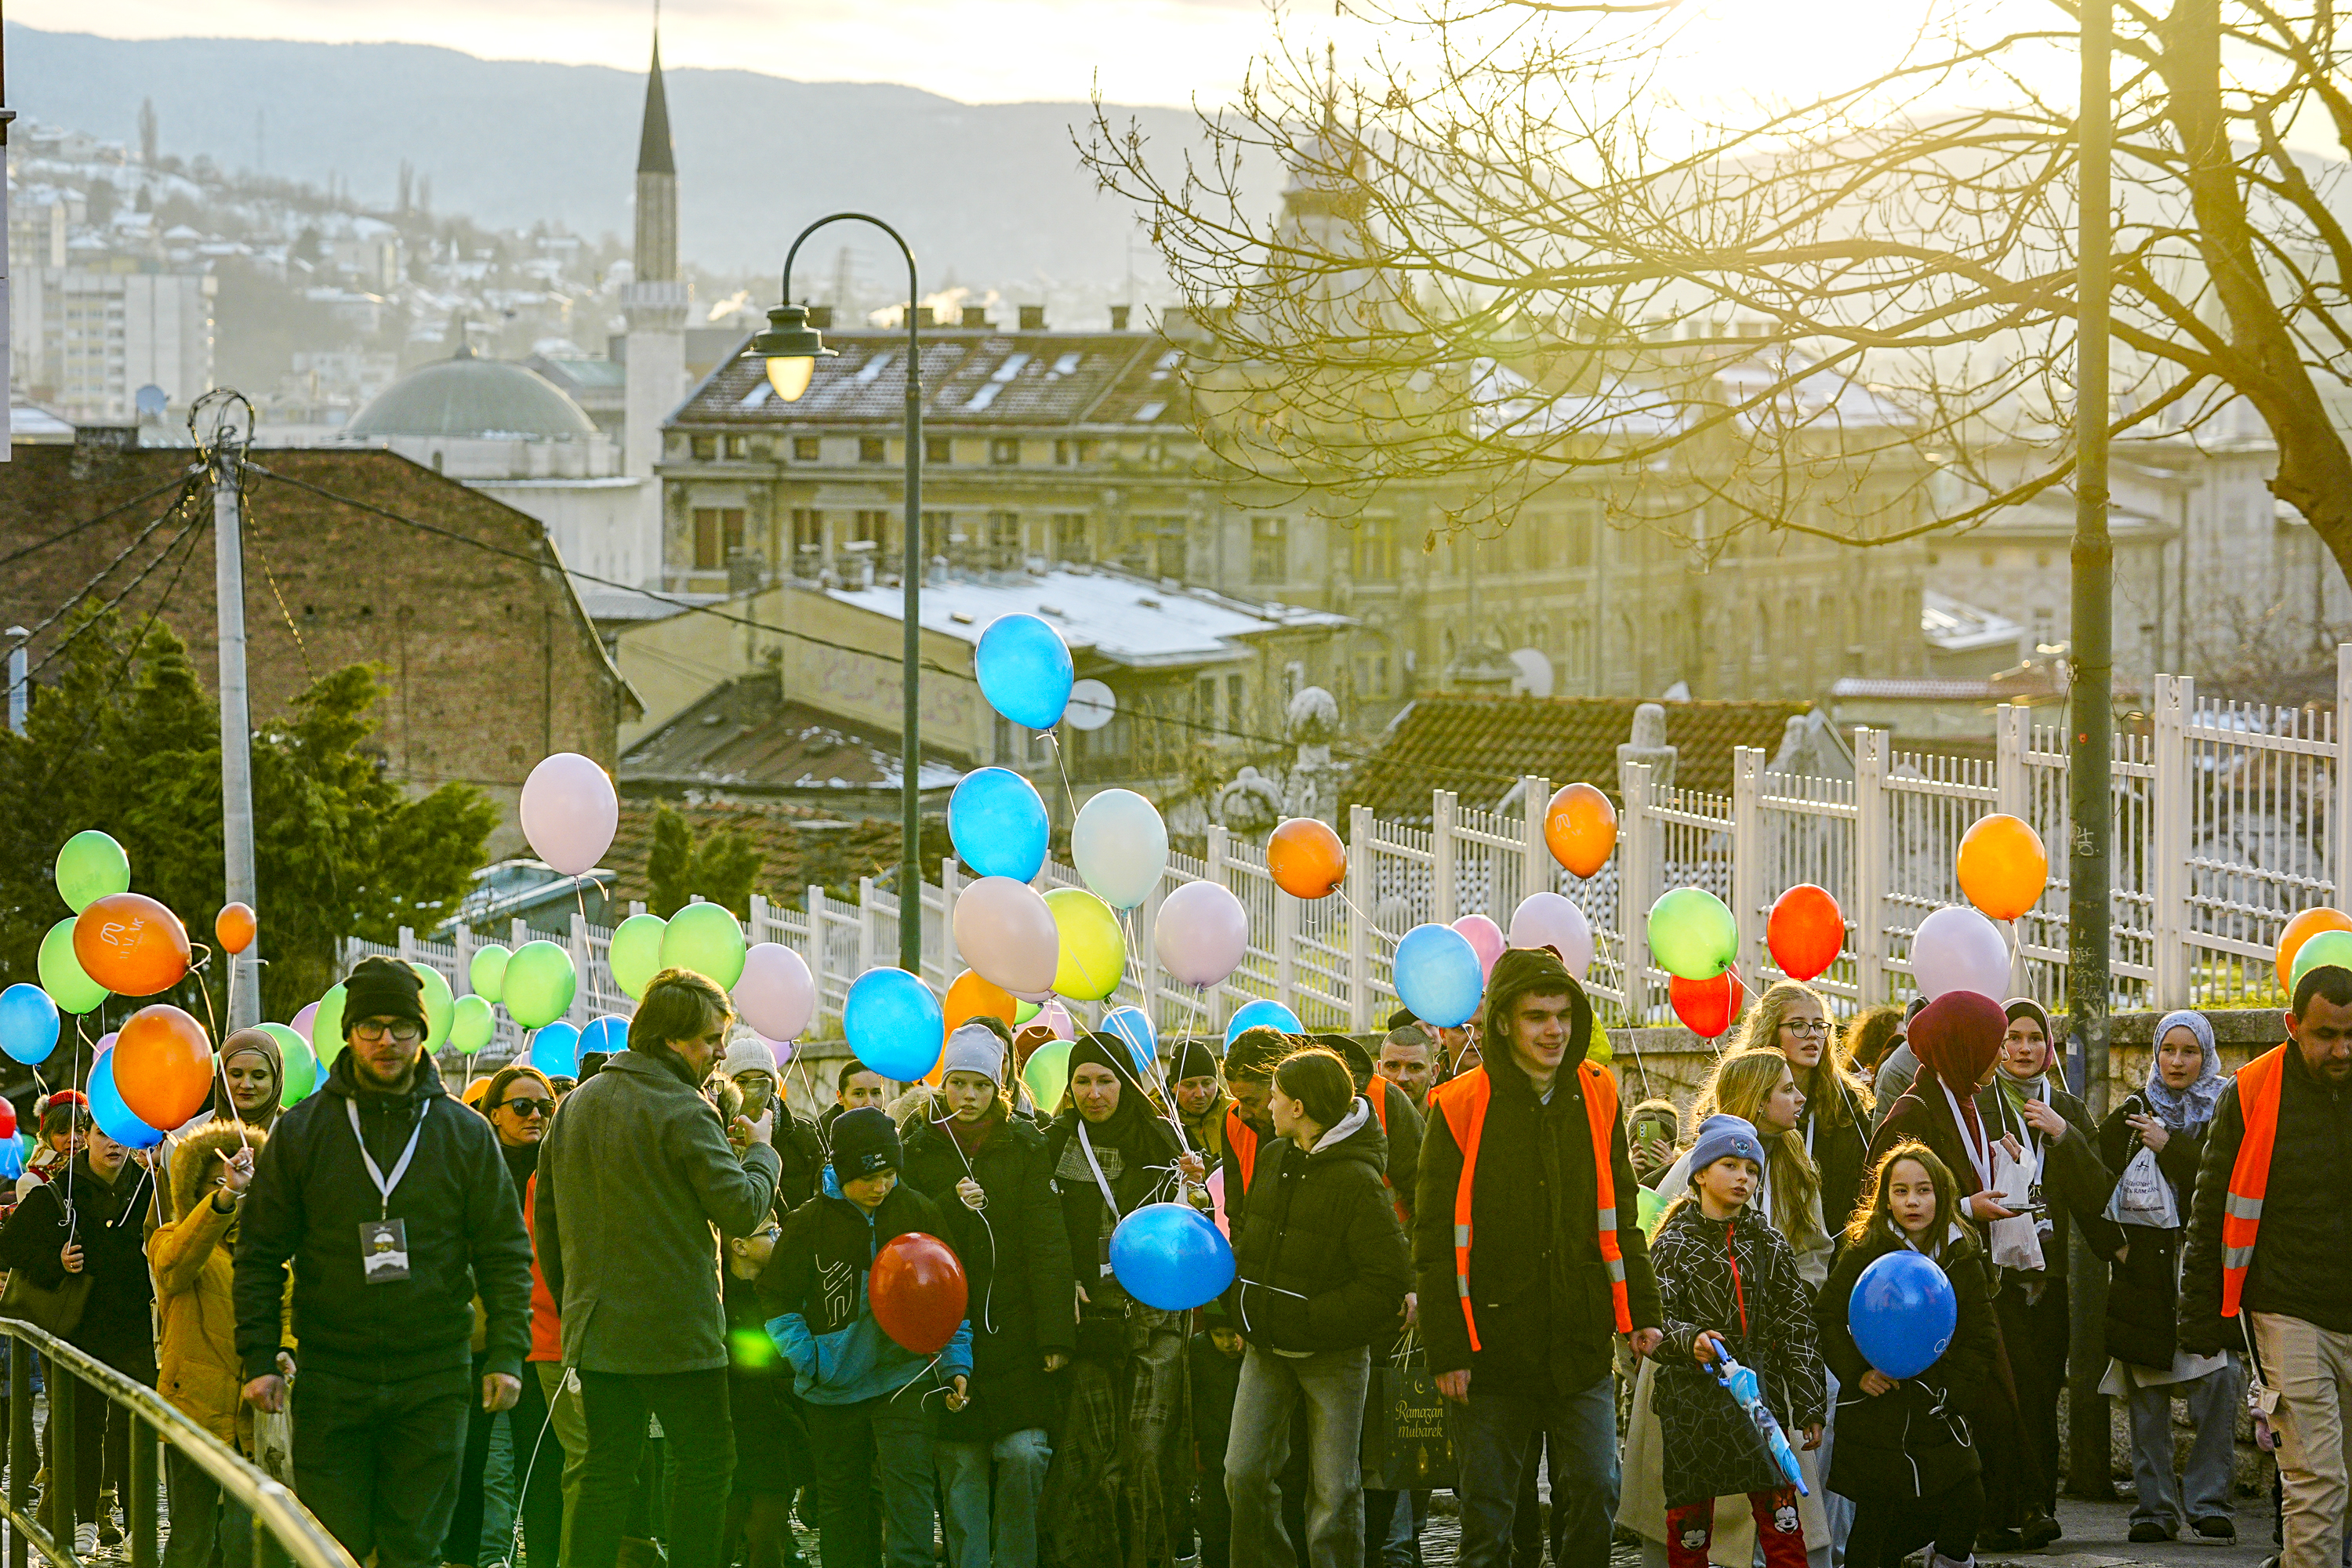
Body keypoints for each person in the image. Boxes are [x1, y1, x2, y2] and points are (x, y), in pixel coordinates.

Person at [234, 956, 532, 1568]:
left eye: (403, 1027)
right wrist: (259, 1356)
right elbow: (260, 1252)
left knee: (415, 1547)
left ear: (424, 1034)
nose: (387, 1042)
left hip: (434, 1376)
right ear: (348, 1033)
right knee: (334, 1547)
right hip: (333, 1373)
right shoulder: (305, 1132)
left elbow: (505, 1250)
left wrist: (506, 1352)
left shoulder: (464, 1133)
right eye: (371, 1026)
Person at [1416, 946, 1665, 1568]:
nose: (1554, 1030)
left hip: (1576, 1340)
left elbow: (1620, 1214)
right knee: (1489, 1516)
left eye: (1563, 1015)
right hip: (1488, 1347)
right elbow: (1433, 1239)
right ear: (1503, 1022)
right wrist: (1446, 1350)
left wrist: (1640, 1312)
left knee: (1594, 1489)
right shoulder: (1457, 1104)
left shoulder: (1600, 1094)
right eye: (1537, 1017)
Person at [535, 966, 782, 1568]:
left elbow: (548, 1224)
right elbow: (743, 1208)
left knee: (604, 1476)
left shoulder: (576, 1105)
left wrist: (578, 1302)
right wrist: (764, 1151)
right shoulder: (682, 1108)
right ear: (672, 1040)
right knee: (705, 1467)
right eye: (711, 1040)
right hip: (679, 1337)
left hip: (598, 1333)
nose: (721, 1052)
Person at [2181, 963, 2352, 1568]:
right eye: (2327, 1035)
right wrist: (2201, 1315)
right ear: (2292, 1026)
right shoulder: (2251, 1092)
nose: (2343, 1049)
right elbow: (2212, 1208)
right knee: (2317, 1484)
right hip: (2288, 1310)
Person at [1224, 1046, 1411, 1568]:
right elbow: (1253, 1240)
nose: (1266, 1106)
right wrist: (1237, 1304)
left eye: (1277, 1096)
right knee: (1242, 1473)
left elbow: (1387, 1282)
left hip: (1334, 1355)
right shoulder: (1274, 1156)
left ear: (1300, 1108)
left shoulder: (1358, 1181)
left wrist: (1313, 1319)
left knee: (1334, 1492)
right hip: (1266, 1345)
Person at [899, 1022, 1077, 1568]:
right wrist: (950, 1204)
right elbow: (909, 1231)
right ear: (942, 1085)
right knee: (960, 1467)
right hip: (947, 1330)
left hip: (1016, 1329)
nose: (968, 1097)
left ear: (998, 1086)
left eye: (979, 1085)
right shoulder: (921, 1144)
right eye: (958, 1084)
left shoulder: (1024, 1142)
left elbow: (1047, 1239)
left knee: (1024, 1457)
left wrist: (1055, 1334)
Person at [765, 1105, 973, 1568]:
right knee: (842, 1501)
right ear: (841, 1172)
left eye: (889, 1173)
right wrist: (810, 1359)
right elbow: (776, 1301)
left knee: (910, 1491)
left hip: (907, 1377)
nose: (881, 1187)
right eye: (868, 1176)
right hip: (832, 1390)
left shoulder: (918, 1209)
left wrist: (957, 1363)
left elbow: (951, 1292)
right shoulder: (809, 1223)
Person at [1039, 1034, 1210, 1568]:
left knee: (1149, 1457)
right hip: (1091, 1322)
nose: (1094, 1093)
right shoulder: (1055, 1142)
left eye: (1106, 1080)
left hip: (1156, 1322)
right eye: (1083, 1082)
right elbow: (1043, 1230)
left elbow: (1191, 1228)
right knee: (1090, 1459)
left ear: (1125, 1083)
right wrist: (1061, 1280)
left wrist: (1198, 1191)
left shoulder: (1161, 1140)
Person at [1648, 1114, 1825, 1568]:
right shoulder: (1672, 1243)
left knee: (1783, 1522)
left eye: (1751, 1170)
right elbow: (1654, 1323)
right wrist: (1691, 1341)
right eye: (1730, 1165)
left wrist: (1808, 1404)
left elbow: (1796, 1327)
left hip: (1759, 1401)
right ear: (1701, 1174)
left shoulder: (1769, 1242)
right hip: (1692, 1406)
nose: (1742, 1177)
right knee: (1689, 1529)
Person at [1817, 1142, 1998, 1568]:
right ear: (1886, 1199)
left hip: (1938, 1407)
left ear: (1943, 1195)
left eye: (1923, 1190)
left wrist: (1952, 1390)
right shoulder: (1866, 1253)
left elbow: (1982, 1337)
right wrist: (1857, 1371)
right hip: (1877, 1409)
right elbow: (1825, 1316)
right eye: (1900, 1191)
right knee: (1876, 1519)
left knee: (1968, 1496)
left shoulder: (1962, 1256)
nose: (1912, 1201)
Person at [2095, 1009, 2238, 1545]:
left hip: (2201, 1273)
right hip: (2144, 1278)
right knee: (2146, 1395)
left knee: (2219, 1383)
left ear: (2207, 1056)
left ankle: (2209, 1503)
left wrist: (2169, 1145)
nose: (2177, 1062)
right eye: (2168, 1051)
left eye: (2190, 1052)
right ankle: (2154, 1510)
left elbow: (2223, 1180)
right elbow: (2089, 1182)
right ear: (2154, 1055)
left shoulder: (2225, 1110)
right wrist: (2115, 1246)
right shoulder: (2134, 1114)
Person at [1971, 997, 2110, 1552]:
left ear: (2049, 1047)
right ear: (1996, 1047)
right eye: (2012, 1038)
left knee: (2040, 1394)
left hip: (2048, 1279)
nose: (2023, 1049)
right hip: (1993, 1275)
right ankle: (1995, 1510)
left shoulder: (2068, 1108)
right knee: (1997, 1396)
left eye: (2034, 1038)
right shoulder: (1977, 1106)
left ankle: (2037, 1507)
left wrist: (2062, 1135)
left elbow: (2100, 1189)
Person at [0, 1120, 159, 1553]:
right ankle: (85, 1517)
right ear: (86, 1138)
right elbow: (9, 1245)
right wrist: (56, 1258)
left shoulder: (149, 1188)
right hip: (78, 1325)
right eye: (103, 1135)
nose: (113, 1146)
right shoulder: (60, 1191)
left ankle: (136, 1521)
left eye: (120, 1137)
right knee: (84, 1423)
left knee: (135, 1424)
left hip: (133, 1325)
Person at [445, 1065, 564, 1568]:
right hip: (474, 1335)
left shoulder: (562, 1168)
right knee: (468, 1462)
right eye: (522, 1106)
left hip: (541, 1337)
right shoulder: (469, 1165)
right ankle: (462, 1558)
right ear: (494, 1114)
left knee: (544, 1464)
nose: (535, 1114)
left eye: (544, 1106)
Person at [153, 1121, 270, 1568]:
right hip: (196, 1408)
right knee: (190, 1538)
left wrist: (286, 1352)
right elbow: (176, 1268)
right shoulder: (171, 1236)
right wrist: (222, 1202)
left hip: (253, 1412)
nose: (234, 1189)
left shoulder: (266, 1246)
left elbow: (287, 1309)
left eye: (242, 1182)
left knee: (246, 1539)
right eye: (215, 1182)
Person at [1740, 982, 1874, 1237]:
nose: (1812, 1035)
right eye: (1798, 1025)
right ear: (1772, 1032)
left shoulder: (1845, 1102)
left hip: (1827, 1251)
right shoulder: (1744, 1092)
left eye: (1819, 1026)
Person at [724, 1030, 826, 1211]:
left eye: (761, 1082)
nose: (751, 1091)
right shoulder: (715, 1134)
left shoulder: (802, 1135)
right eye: (741, 1082)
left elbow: (821, 1203)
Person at [1190, 1302, 1247, 1568]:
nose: (1227, 1343)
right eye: (1219, 1335)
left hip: (1251, 1455)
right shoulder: (1198, 1350)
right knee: (1215, 1528)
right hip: (1214, 1458)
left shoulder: (1259, 1354)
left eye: (1232, 1333)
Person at [1220, 1025, 1290, 1207]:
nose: (1242, 1114)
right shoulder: (1232, 1119)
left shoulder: (1327, 1126)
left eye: (1251, 1101)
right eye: (1237, 1099)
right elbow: (1236, 1212)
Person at [1171, 1039, 1232, 1162]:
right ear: (1173, 1087)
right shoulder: (1156, 1118)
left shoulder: (1235, 1113)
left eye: (1207, 1083)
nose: (1200, 1094)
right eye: (1189, 1085)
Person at [16, 1089, 86, 1196]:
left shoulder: (102, 1171)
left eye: (80, 1131)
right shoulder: (32, 1181)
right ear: (47, 1137)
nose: (73, 1138)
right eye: (62, 1132)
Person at [1376, 1025, 1438, 1113]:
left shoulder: (1451, 1122)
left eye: (1415, 1068)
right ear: (1379, 1070)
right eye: (1392, 1067)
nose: (1402, 1078)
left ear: (1434, 1073)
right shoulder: (1365, 1122)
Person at [1628, 1099, 1683, 1189]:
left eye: (1663, 1141)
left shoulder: (1685, 1167)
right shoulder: (1618, 1168)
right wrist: (1630, 1176)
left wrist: (1672, 1171)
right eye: (1644, 1141)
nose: (1653, 1147)